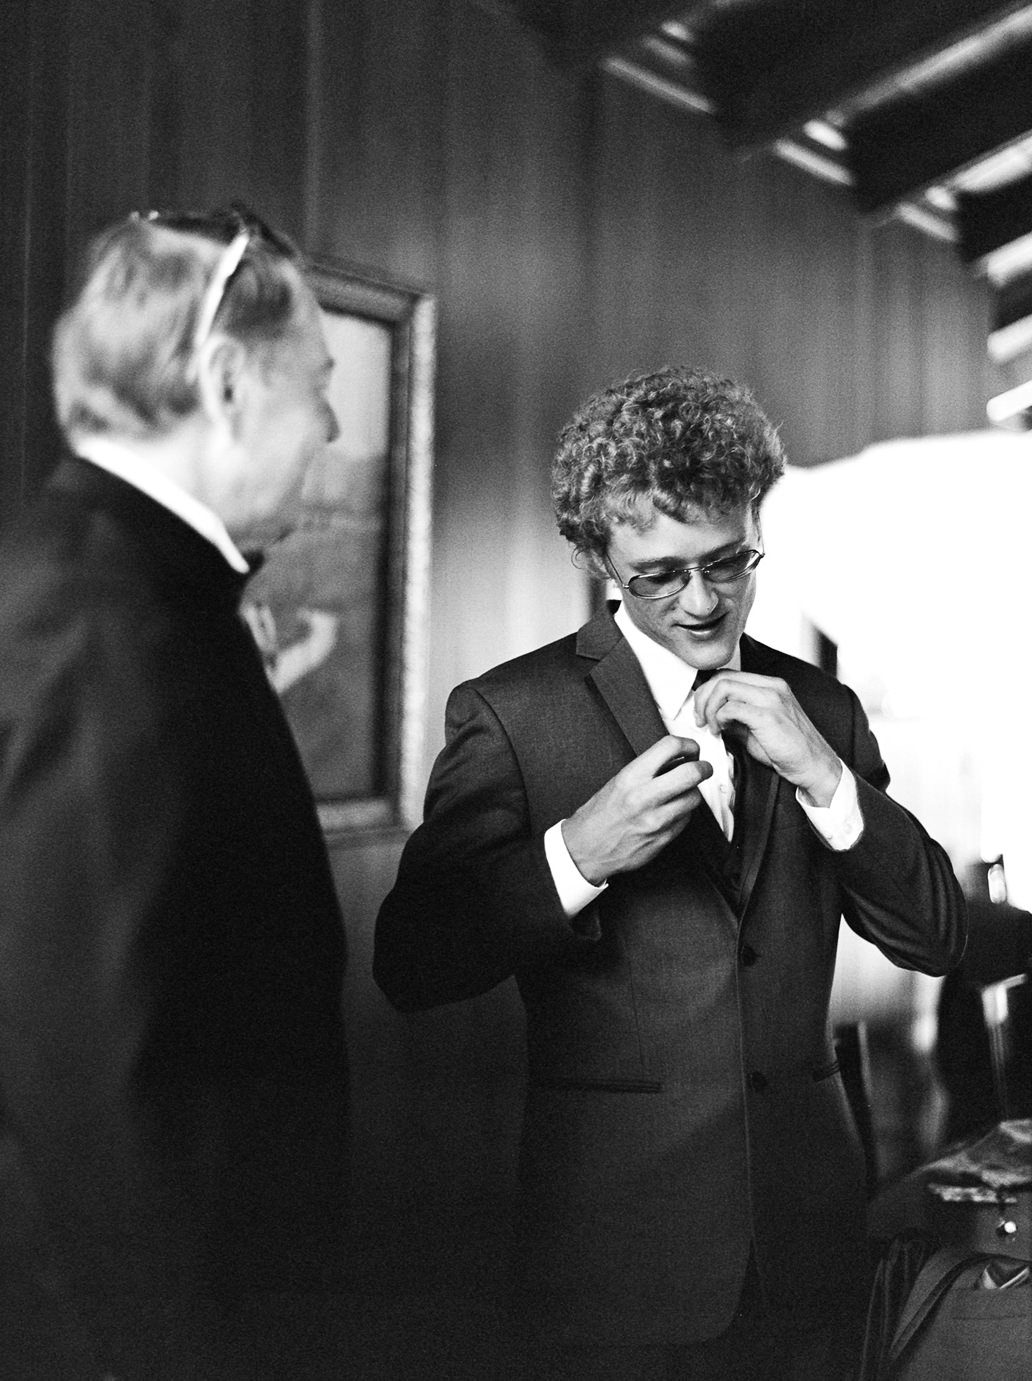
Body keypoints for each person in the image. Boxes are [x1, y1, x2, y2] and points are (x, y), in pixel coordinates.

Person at [374, 366, 965, 1379]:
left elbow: (935, 935)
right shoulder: (509, 715)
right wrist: (575, 856)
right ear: (593, 554)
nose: (702, 600)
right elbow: (411, 960)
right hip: (614, 1261)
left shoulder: (822, 706)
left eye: (730, 562)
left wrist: (825, 777)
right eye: (659, 573)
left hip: (808, 1243)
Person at [0, 207, 351, 1376]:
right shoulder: (107, 623)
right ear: (228, 381)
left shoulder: (149, 586)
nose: (334, 425)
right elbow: (94, 1088)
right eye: (318, 382)